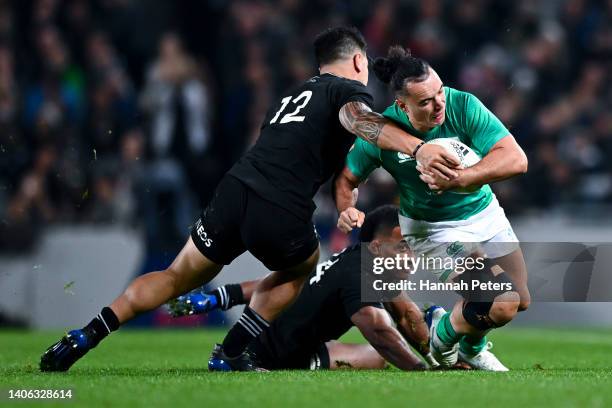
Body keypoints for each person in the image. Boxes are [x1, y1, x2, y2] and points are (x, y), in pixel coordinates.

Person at [40, 28, 458, 372]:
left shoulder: (294, 96)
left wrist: (346, 195)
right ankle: (231, 352)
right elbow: (357, 120)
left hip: (234, 187)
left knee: (174, 275)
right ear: (357, 62)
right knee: (303, 269)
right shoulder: (348, 92)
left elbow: (311, 150)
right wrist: (418, 149)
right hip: (278, 200)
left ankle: (86, 334)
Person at [334, 46, 530, 371]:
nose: (438, 104)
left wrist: (462, 178)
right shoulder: (384, 134)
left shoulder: (462, 105)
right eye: (424, 101)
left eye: (439, 92)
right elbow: (346, 180)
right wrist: (346, 208)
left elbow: (516, 159)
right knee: (502, 302)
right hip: (434, 229)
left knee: (520, 299)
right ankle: (440, 337)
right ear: (402, 105)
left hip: (485, 211)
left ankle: (471, 347)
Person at [169, 206, 436, 371]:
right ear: (377, 248)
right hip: (275, 351)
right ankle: (292, 365)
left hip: (266, 339)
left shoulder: (357, 260)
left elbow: (405, 315)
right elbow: (378, 330)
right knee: (379, 352)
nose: (411, 256)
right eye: (403, 247)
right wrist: (420, 370)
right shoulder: (360, 275)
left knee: (376, 358)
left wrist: (438, 356)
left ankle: (299, 360)